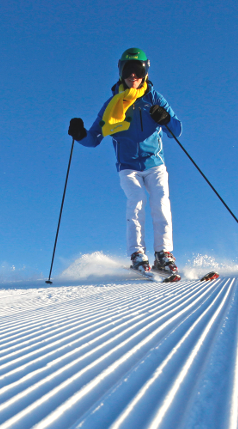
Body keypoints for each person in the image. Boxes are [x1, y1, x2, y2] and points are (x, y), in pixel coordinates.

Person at [68, 48, 183, 274]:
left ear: (145, 72)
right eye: (128, 70)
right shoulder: (112, 104)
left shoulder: (154, 99)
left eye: (138, 70)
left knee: (160, 202)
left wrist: (165, 119)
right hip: (128, 166)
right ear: (121, 72)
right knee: (137, 201)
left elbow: (176, 130)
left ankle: (163, 253)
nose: (133, 75)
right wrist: (79, 134)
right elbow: (93, 138)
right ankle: (137, 253)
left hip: (155, 163)